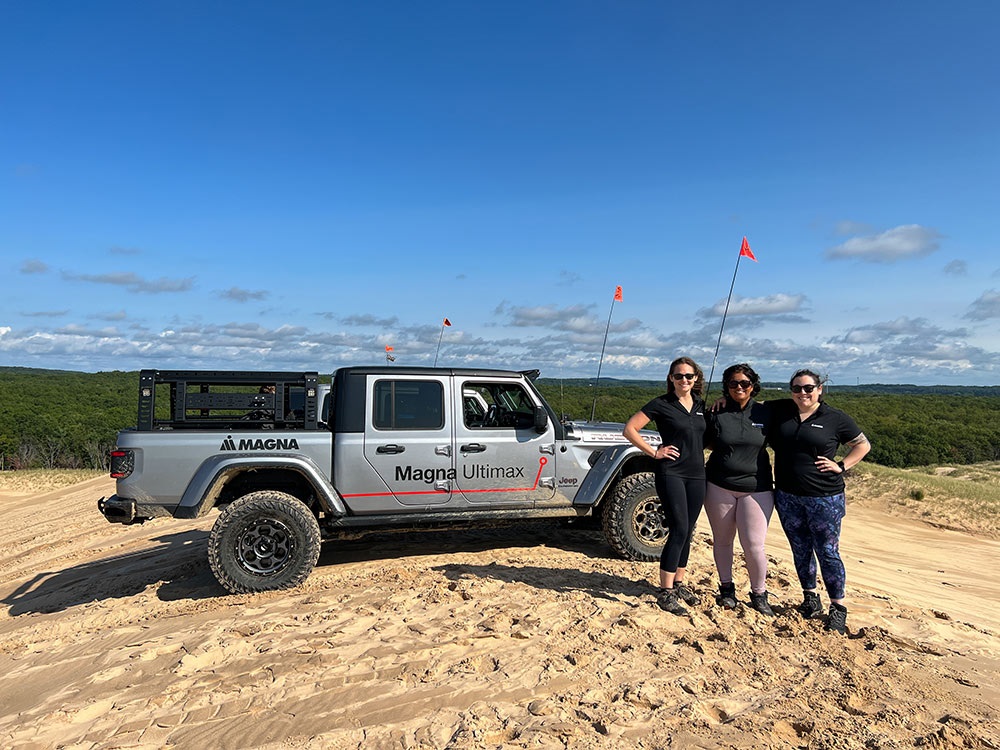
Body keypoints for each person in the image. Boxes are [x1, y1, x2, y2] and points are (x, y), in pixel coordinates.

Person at [768, 369, 871, 634]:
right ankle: (810, 598)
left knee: (827, 551)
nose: (803, 393)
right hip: (788, 495)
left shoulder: (834, 418)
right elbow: (746, 403)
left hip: (824, 497)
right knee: (800, 549)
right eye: (797, 388)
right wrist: (724, 401)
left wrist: (842, 465)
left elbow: (862, 445)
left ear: (820, 389)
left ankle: (837, 607)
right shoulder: (781, 411)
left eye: (808, 388)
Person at [623, 356, 707, 615]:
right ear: (671, 378)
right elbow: (630, 429)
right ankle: (666, 591)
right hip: (671, 472)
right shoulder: (662, 404)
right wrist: (653, 452)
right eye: (679, 376)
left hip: (697, 474)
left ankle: (679, 583)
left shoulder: (702, 406)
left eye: (689, 376)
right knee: (679, 527)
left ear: (696, 379)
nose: (684, 380)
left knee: (689, 529)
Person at [703, 363, 776, 616]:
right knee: (723, 541)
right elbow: (703, 440)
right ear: (726, 386)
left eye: (745, 383)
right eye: (733, 383)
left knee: (754, 545)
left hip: (757, 488)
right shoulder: (716, 411)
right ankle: (726, 589)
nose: (739, 388)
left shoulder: (767, 412)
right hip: (718, 485)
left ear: (754, 385)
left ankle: (759, 593)